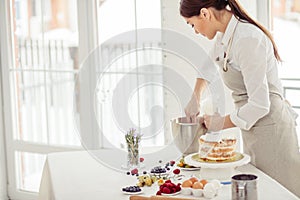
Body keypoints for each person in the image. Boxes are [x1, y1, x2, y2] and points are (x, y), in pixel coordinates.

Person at [180, 0, 300, 197]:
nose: (194, 31)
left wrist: (219, 123)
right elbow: (208, 66)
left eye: (192, 24)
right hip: (254, 129)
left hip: (273, 128)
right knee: (260, 191)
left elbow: (260, 104)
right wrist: (195, 97)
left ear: (205, 14)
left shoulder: (248, 38)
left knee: (280, 192)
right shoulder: (225, 36)